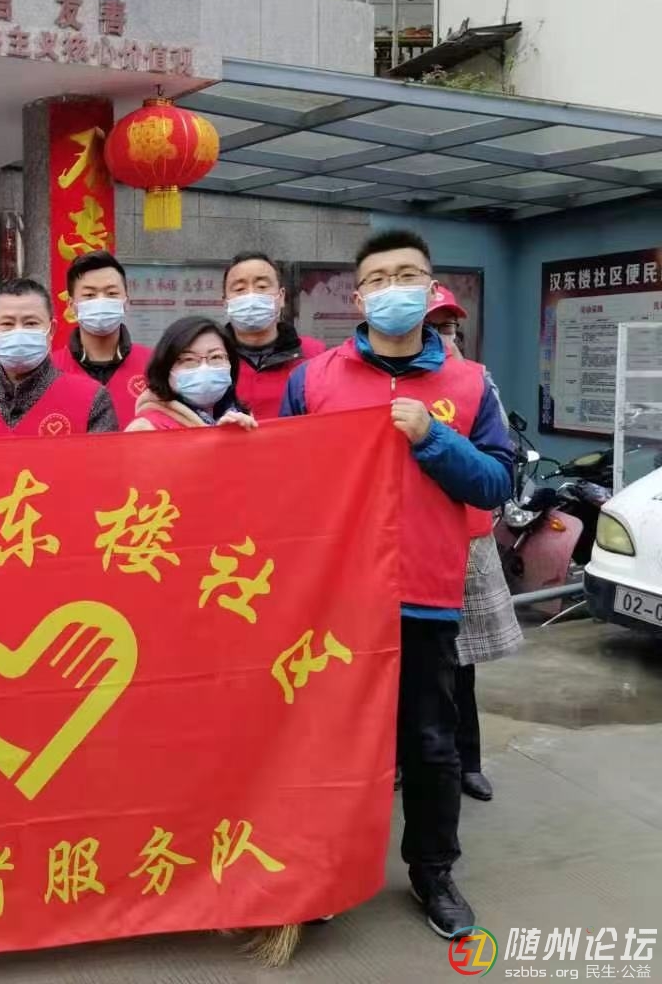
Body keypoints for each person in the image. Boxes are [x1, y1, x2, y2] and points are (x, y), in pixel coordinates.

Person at [279, 230, 512, 938]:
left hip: (425, 596)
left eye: (407, 275)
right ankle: (324, 870)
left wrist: (433, 439)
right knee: (328, 742)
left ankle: (433, 872)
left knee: (431, 745)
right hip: (336, 600)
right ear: (358, 298)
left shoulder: (470, 384)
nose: (392, 289)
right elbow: (279, 480)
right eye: (378, 279)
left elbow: (496, 483)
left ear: (431, 288)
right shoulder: (313, 380)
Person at [426, 285, 524, 803]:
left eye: (449, 327)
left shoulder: (476, 382)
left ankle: (467, 760)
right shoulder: (393, 383)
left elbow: (498, 461)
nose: (444, 336)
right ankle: (408, 758)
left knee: (460, 662)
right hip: (407, 542)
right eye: (434, 326)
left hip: (466, 538)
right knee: (411, 664)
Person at [0, 277, 117, 437]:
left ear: (51, 330)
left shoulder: (91, 398)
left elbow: (105, 461)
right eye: (7, 323)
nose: (19, 331)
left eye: (31, 323)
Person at [223, 251, 326, 419]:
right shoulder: (207, 360)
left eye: (262, 286)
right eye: (239, 289)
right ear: (225, 302)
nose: (251, 296)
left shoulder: (316, 355)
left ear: (281, 297)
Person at [51, 250, 151, 416]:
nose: (101, 301)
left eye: (112, 293)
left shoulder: (154, 366)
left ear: (126, 302)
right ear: (71, 305)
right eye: (89, 295)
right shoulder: (49, 370)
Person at [126, 316, 258, 431]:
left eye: (216, 357)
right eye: (189, 359)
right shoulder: (146, 428)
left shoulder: (240, 419)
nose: (204, 369)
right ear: (166, 368)